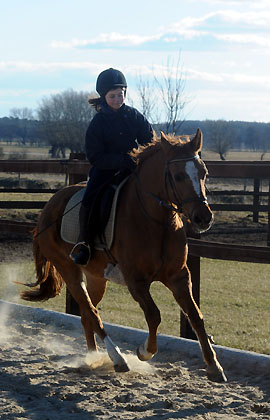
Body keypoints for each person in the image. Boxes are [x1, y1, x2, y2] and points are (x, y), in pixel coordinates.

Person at [70, 68, 153, 265]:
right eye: (113, 96)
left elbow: (149, 140)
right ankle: (85, 243)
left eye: (120, 95)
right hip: (105, 171)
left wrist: (139, 157)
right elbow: (95, 156)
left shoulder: (134, 115)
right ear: (104, 96)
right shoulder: (98, 123)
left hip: (133, 169)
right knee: (90, 199)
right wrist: (120, 160)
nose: (117, 99)